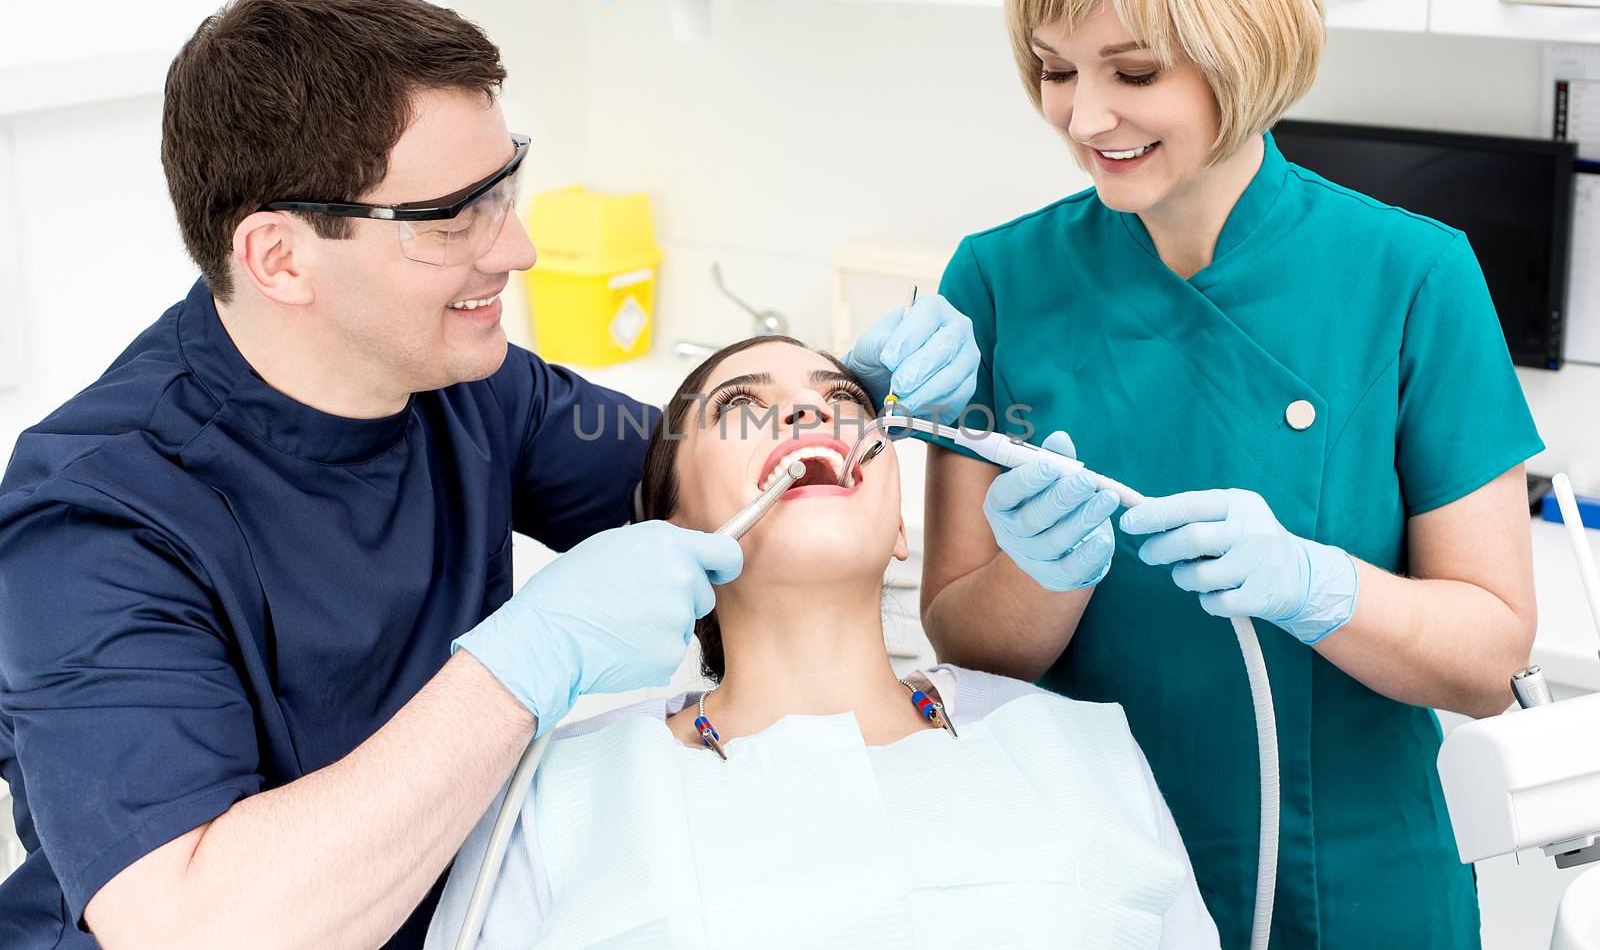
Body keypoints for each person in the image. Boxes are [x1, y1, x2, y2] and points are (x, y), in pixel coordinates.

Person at [0, 0, 979, 950]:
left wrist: (840, 402)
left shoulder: (463, 382)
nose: (516, 250)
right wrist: (518, 668)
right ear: (279, 258)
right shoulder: (94, 519)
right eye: (452, 218)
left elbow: (701, 476)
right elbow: (194, 928)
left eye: (504, 188)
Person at [919, 0, 1542, 947]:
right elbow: (963, 639)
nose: (1081, 117)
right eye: (1055, 69)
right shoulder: (996, 280)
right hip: (1081, 873)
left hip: (1352, 882)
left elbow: (1488, 657)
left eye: (1134, 71)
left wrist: (1322, 588)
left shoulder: (1409, 275)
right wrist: (1039, 575)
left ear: (1242, 48)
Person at [425, 335, 1220, 950]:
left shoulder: (1071, 746)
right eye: (740, 403)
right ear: (673, 533)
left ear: (900, 529)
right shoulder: (555, 791)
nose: (809, 414)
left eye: (841, 396)